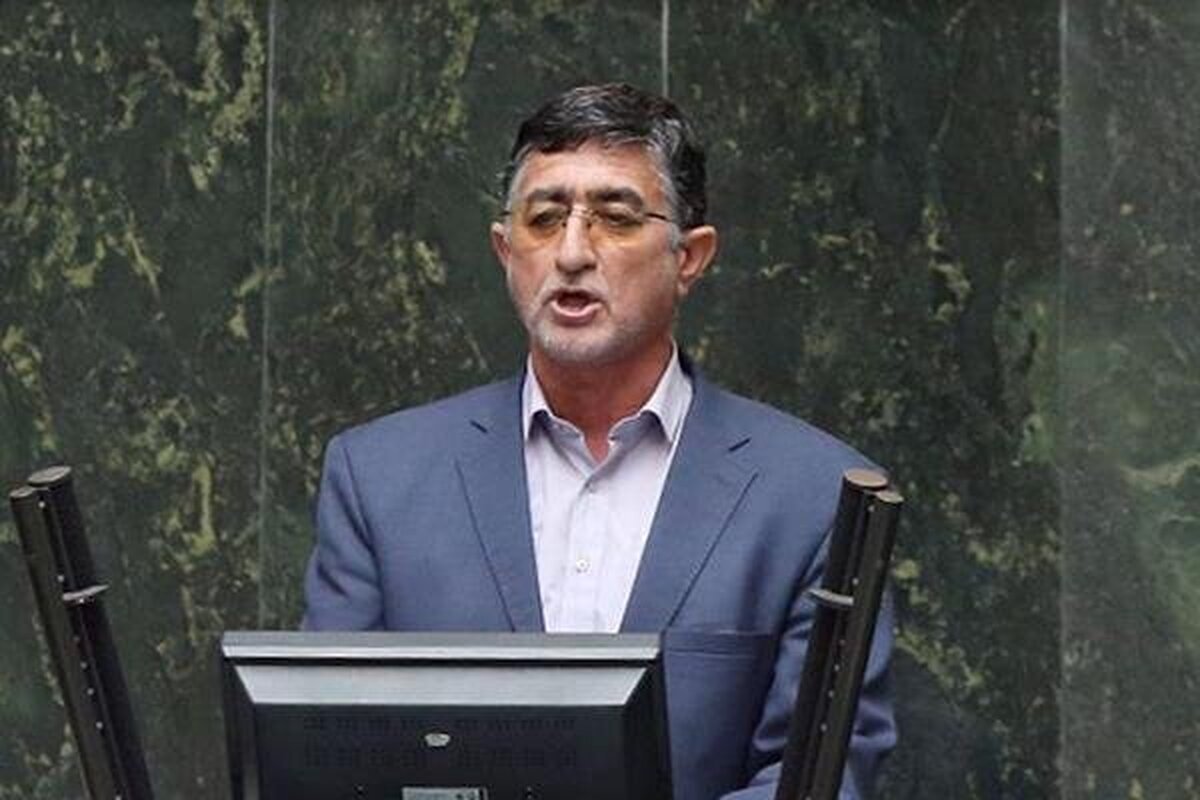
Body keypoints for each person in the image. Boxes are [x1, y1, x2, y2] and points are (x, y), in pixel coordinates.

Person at [303, 83, 896, 800]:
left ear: (690, 257)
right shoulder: (381, 479)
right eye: (544, 218)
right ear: (504, 251)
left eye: (616, 218)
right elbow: (329, 757)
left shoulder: (810, 497)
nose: (572, 252)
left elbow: (816, 779)